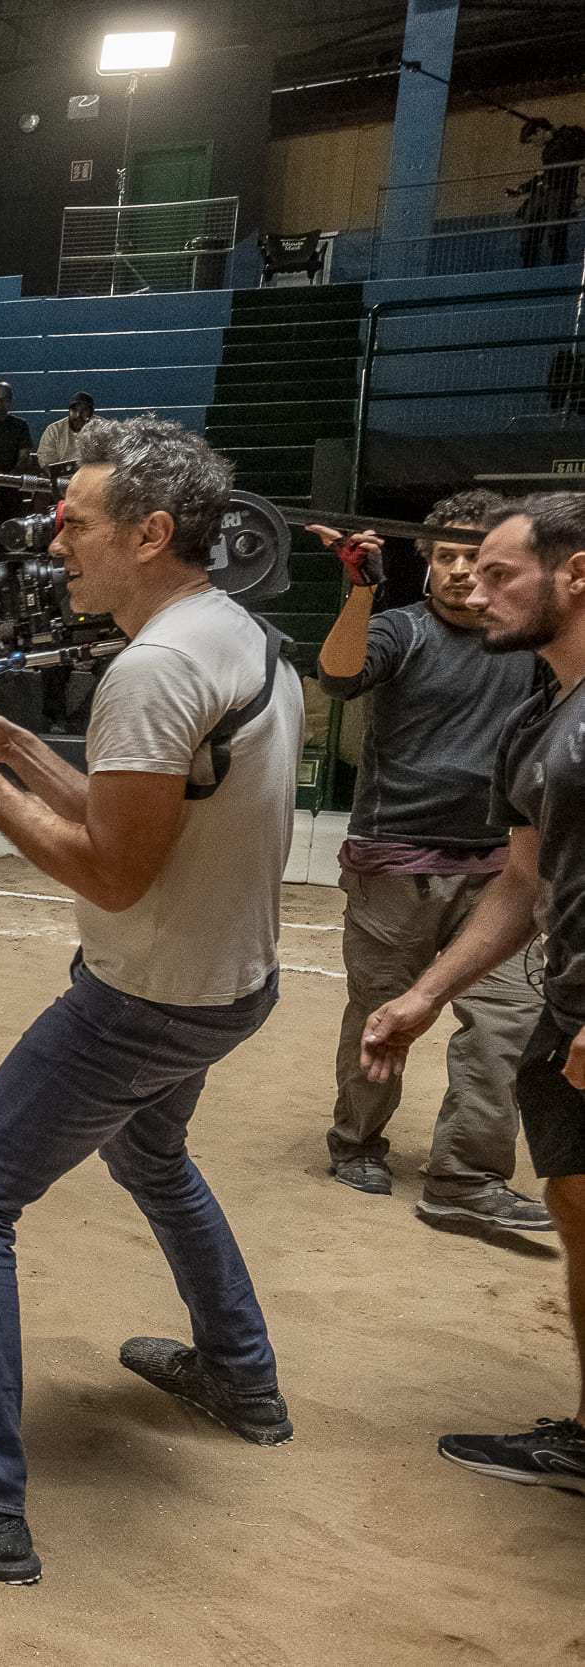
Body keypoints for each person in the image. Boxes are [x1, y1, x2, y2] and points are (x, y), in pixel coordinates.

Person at [0, 416, 304, 1586]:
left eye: (77, 523)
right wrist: (23, 753)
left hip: (147, 996)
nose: (55, 542)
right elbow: (138, 807)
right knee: (151, 1153)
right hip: (228, 980)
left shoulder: (151, 669)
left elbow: (111, 872)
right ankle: (239, 1373)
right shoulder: (233, 631)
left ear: (150, 534)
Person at [359, 493, 585, 1492]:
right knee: (575, 1204)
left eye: (499, 574)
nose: (474, 591)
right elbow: (523, 883)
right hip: (564, 1012)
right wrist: (426, 994)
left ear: (575, 573)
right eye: (469, 571)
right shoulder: (538, 717)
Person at [316, 493, 550, 1232]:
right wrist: (361, 593)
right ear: (426, 563)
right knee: (382, 1011)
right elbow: (338, 677)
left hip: (502, 870)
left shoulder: (526, 644)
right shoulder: (402, 629)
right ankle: (357, 1141)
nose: (458, 570)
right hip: (398, 863)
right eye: (445, 556)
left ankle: (466, 1175)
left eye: (474, 558)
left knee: (507, 1020)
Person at [516, 116, 584, 269]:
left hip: (558, 193)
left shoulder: (565, 140)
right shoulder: (549, 150)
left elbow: (577, 145)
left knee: (555, 232)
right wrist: (523, 188)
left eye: (532, 141)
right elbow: (544, 174)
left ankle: (556, 267)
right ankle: (531, 266)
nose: (533, 145)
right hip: (546, 193)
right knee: (531, 231)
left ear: (539, 131)